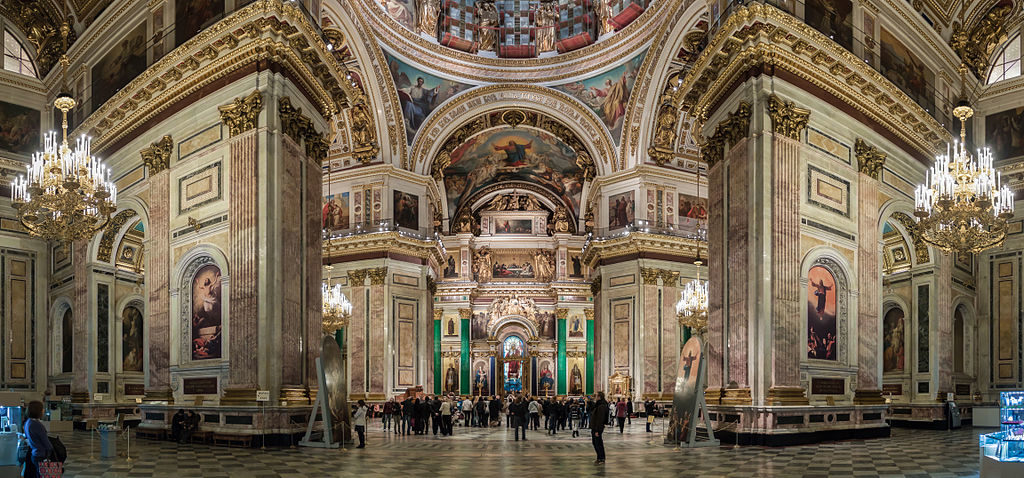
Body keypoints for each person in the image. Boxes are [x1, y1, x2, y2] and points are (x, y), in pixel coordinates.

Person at [20, 401, 52, 478]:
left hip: (34, 453)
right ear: (38, 410)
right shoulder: (37, 425)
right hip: (41, 454)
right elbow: (46, 443)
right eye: (42, 408)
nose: (43, 410)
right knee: (43, 475)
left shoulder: (28, 422)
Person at [590, 392, 609, 465]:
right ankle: (599, 458)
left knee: (598, 443)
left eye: (596, 396)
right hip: (595, 427)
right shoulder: (598, 405)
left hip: (597, 428)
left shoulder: (601, 406)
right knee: (596, 443)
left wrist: (597, 430)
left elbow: (600, 419)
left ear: (599, 397)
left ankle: (601, 458)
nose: (595, 397)